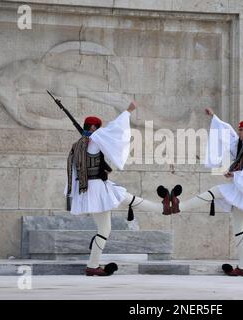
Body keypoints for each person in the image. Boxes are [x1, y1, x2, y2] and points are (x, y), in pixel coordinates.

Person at [65, 101, 168, 276]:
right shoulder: (95, 139)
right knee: (105, 229)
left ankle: (162, 208)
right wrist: (128, 111)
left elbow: (73, 171)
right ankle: (92, 265)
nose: (99, 130)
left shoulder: (77, 145)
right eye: (97, 127)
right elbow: (115, 129)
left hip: (90, 188)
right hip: (96, 189)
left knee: (126, 197)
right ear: (92, 127)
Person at [164, 107, 243, 277]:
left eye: (242, 130)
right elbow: (227, 134)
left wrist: (234, 173)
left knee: (214, 191)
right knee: (238, 229)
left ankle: (179, 206)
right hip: (242, 192)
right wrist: (214, 117)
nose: (239, 132)